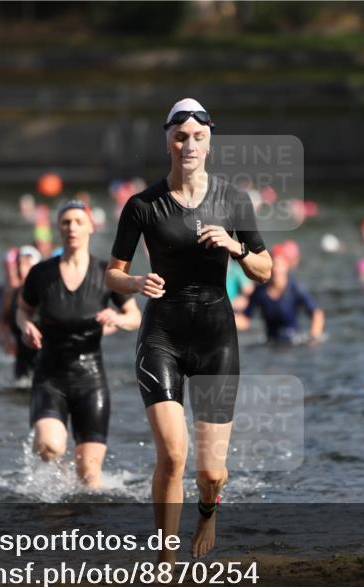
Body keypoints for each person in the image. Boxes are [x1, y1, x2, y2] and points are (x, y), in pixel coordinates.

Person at [105, 99, 271, 560]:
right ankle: (165, 557)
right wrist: (135, 282)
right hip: (162, 336)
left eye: (198, 137)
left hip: (216, 339)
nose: (189, 145)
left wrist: (235, 247)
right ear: (168, 143)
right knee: (174, 455)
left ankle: (208, 511)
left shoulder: (233, 200)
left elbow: (266, 270)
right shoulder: (142, 205)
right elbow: (112, 274)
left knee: (211, 473)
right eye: (180, 137)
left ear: (209, 142)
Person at [17, 200, 141, 488]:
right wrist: (26, 326)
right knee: (50, 446)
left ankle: (79, 511)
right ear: (58, 228)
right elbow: (22, 310)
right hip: (49, 377)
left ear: (90, 227)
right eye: (66, 222)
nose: (72, 227)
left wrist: (118, 318)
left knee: (89, 477)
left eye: (78, 222)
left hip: (91, 379)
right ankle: (56, 480)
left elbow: (134, 316)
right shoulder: (41, 273)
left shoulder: (106, 273)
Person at [236, 244, 324, 345]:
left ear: (287, 266)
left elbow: (317, 313)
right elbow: (245, 320)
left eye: (279, 265)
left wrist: (314, 336)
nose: (275, 270)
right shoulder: (260, 291)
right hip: (270, 344)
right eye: (272, 266)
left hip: (294, 343)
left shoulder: (295, 289)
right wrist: (226, 318)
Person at [2, 245, 42, 381]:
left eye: (26, 264)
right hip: (21, 360)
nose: (21, 268)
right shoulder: (11, 294)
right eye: (19, 264)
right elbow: (3, 322)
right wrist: (7, 339)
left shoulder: (44, 294)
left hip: (43, 358)